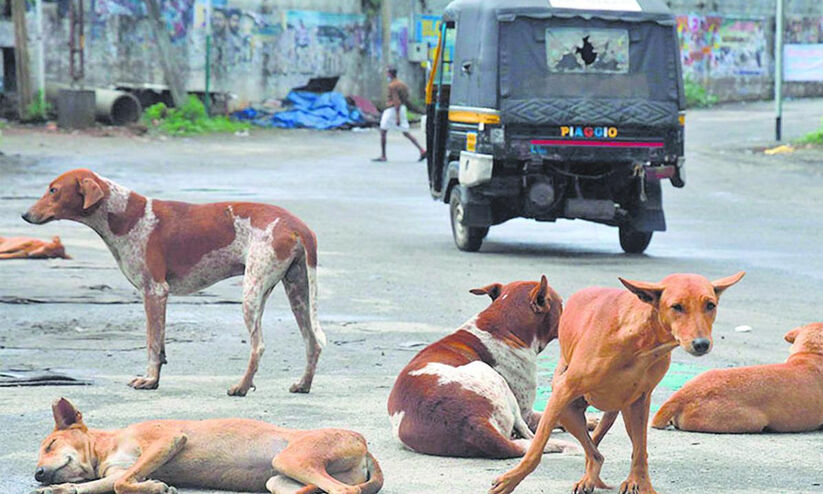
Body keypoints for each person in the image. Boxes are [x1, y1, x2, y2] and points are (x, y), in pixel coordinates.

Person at [373, 67, 426, 162]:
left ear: (389, 74)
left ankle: (383, 155)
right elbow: (405, 99)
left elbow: (396, 100)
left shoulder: (392, 85)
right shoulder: (402, 85)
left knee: (383, 131)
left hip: (393, 109)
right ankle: (422, 150)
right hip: (401, 108)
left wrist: (397, 117)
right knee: (405, 132)